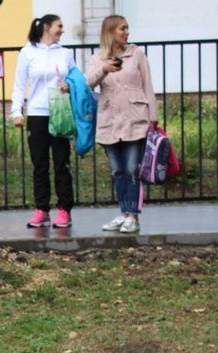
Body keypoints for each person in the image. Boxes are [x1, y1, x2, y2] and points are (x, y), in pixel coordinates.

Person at [86, 15, 157, 234]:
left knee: (131, 169)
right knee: (118, 171)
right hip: (110, 122)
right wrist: (104, 69)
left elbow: (148, 85)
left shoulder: (136, 54)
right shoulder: (97, 58)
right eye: (122, 29)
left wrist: (153, 118)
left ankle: (132, 215)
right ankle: (124, 212)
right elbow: (88, 82)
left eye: (127, 28)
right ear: (110, 32)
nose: (126, 32)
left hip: (136, 119)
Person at [10, 14, 77, 229]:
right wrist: (16, 111)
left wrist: (69, 86)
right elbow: (19, 84)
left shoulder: (65, 53)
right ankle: (42, 210)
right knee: (40, 164)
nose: (62, 30)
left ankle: (64, 210)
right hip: (37, 113)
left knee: (62, 163)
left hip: (60, 113)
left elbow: (75, 79)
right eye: (59, 26)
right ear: (47, 27)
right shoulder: (28, 52)